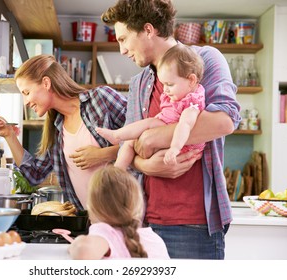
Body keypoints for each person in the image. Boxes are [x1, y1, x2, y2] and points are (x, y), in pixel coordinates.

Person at [101, 0, 241, 259]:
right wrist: (146, 165)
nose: (121, 50)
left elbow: (225, 120)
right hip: (143, 223)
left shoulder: (204, 60)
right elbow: (129, 147)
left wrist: (154, 137)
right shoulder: (139, 83)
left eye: (123, 39)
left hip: (194, 225)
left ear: (148, 30)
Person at [0, 54, 127, 210]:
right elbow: (35, 174)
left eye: (26, 93)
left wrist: (103, 155)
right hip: (89, 222)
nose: (25, 102)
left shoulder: (101, 99)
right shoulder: (56, 129)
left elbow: (142, 140)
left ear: (46, 83)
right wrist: (9, 135)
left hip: (124, 215)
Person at [96, 44, 206, 169]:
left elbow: (185, 126)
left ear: (191, 80)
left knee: (149, 124)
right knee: (130, 141)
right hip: (167, 137)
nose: (165, 89)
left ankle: (117, 136)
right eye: (163, 84)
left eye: (169, 84)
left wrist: (175, 148)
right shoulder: (177, 94)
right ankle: (118, 168)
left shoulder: (192, 103)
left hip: (181, 146)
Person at [68, 165, 169, 260]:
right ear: (137, 204)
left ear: (93, 207)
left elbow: (83, 250)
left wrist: (73, 246)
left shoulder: (105, 232)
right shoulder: (153, 239)